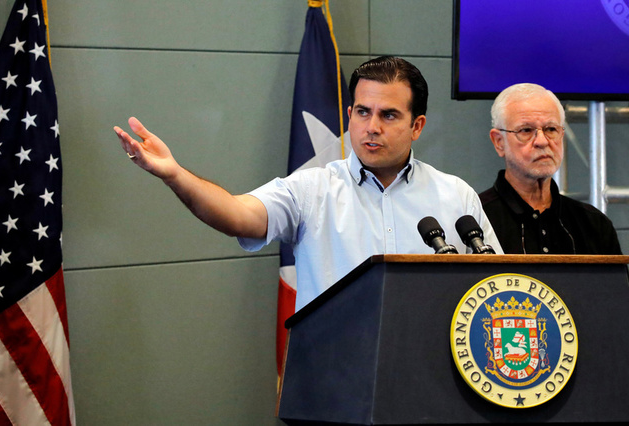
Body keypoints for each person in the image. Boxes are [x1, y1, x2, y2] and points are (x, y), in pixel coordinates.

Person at [115, 56, 502, 311]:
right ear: (349, 114)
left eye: (389, 115)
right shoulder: (312, 189)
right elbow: (236, 214)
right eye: (363, 112)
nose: (372, 127)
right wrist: (175, 175)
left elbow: (497, 289)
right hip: (334, 381)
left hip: (430, 380)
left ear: (417, 125)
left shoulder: (455, 195)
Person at [479, 83, 622, 255]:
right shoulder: (477, 220)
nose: (542, 141)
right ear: (499, 142)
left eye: (551, 129)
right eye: (526, 130)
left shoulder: (594, 224)